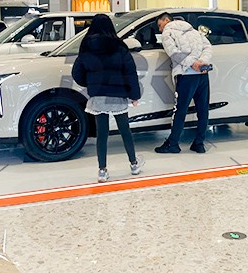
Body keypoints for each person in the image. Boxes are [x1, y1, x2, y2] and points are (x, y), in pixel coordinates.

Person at [71, 14, 143, 183]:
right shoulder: (119, 45)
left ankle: (102, 171)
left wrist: (91, 84)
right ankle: (134, 164)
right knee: (125, 130)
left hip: (98, 96)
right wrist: (134, 95)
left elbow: (77, 72)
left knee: (102, 134)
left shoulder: (86, 45)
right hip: (117, 95)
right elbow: (130, 72)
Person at [154, 12, 212, 154]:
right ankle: (199, 143)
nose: (160, 29)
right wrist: (202, 62)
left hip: (186, 75)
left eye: (160, 25)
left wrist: (192, 64)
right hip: (202, 75)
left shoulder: (168, 32)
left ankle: (173, 144)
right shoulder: (194, 31)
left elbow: (173, 53)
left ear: (166, 20)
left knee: (180, 110)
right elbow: (208, 47)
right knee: (203, 110)